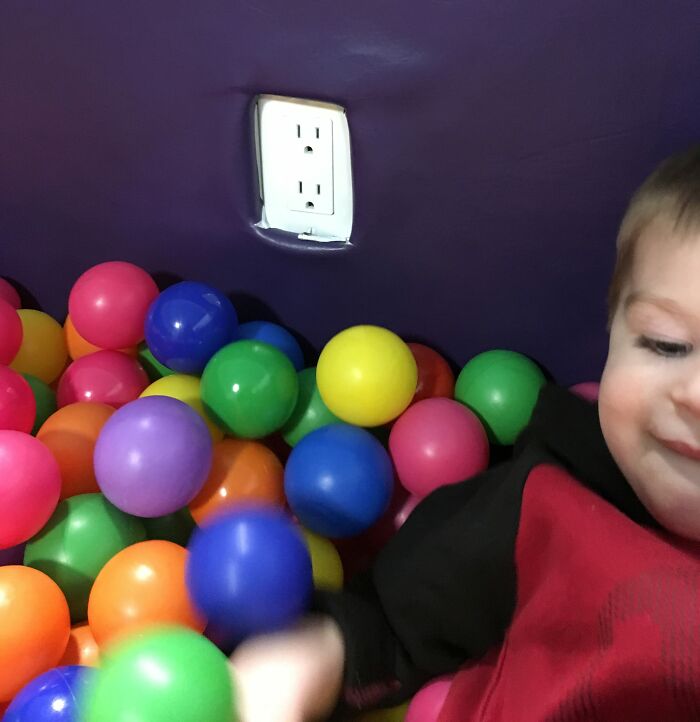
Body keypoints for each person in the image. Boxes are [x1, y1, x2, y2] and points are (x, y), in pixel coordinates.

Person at [230, 144, 700, 722]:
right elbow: (388, 622)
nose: (694, 395)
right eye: (665, 343)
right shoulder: (551, 498)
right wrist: (293, 669)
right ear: (614, 329)